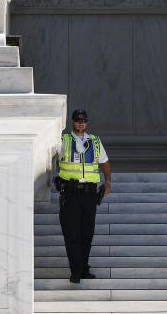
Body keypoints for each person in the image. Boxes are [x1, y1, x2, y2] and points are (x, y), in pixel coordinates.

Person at [56, 108, 111, 284]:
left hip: (89, 194)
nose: (81, 123)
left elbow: (105, 162)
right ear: (72, 121)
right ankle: (76, 270)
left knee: (87, 233)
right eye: (78, 120)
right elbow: (48, 158)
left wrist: (108, 182)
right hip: (70, 193)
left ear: (87, 122)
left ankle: (83, 268)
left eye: (84, 120)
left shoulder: (95, 141)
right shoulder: (63, 140)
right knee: (71, 233)